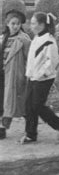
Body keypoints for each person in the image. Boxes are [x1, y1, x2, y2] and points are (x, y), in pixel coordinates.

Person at [20, 12, 59, 144]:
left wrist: (41, 74)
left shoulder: (49, 41)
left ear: (41, 25)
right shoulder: (36, 38)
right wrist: (30, 74)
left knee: (37, 106)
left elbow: (52, 62)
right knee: (28, 106)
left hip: (44, 79)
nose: (31, 26)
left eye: (34, 23)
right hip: (33, 77)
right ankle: (30, 134)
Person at [0, 10, 30, 139]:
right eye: (12, 23)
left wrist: (25, 74)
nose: (15, 26)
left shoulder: (24, 39)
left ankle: (30, 129)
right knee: (4, 102)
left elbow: (29, 58)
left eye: (17, 24)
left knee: (17, 103)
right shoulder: (2, 38)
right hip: (2, 74)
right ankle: (2, 128)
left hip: (15, 75)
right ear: (7, 24)